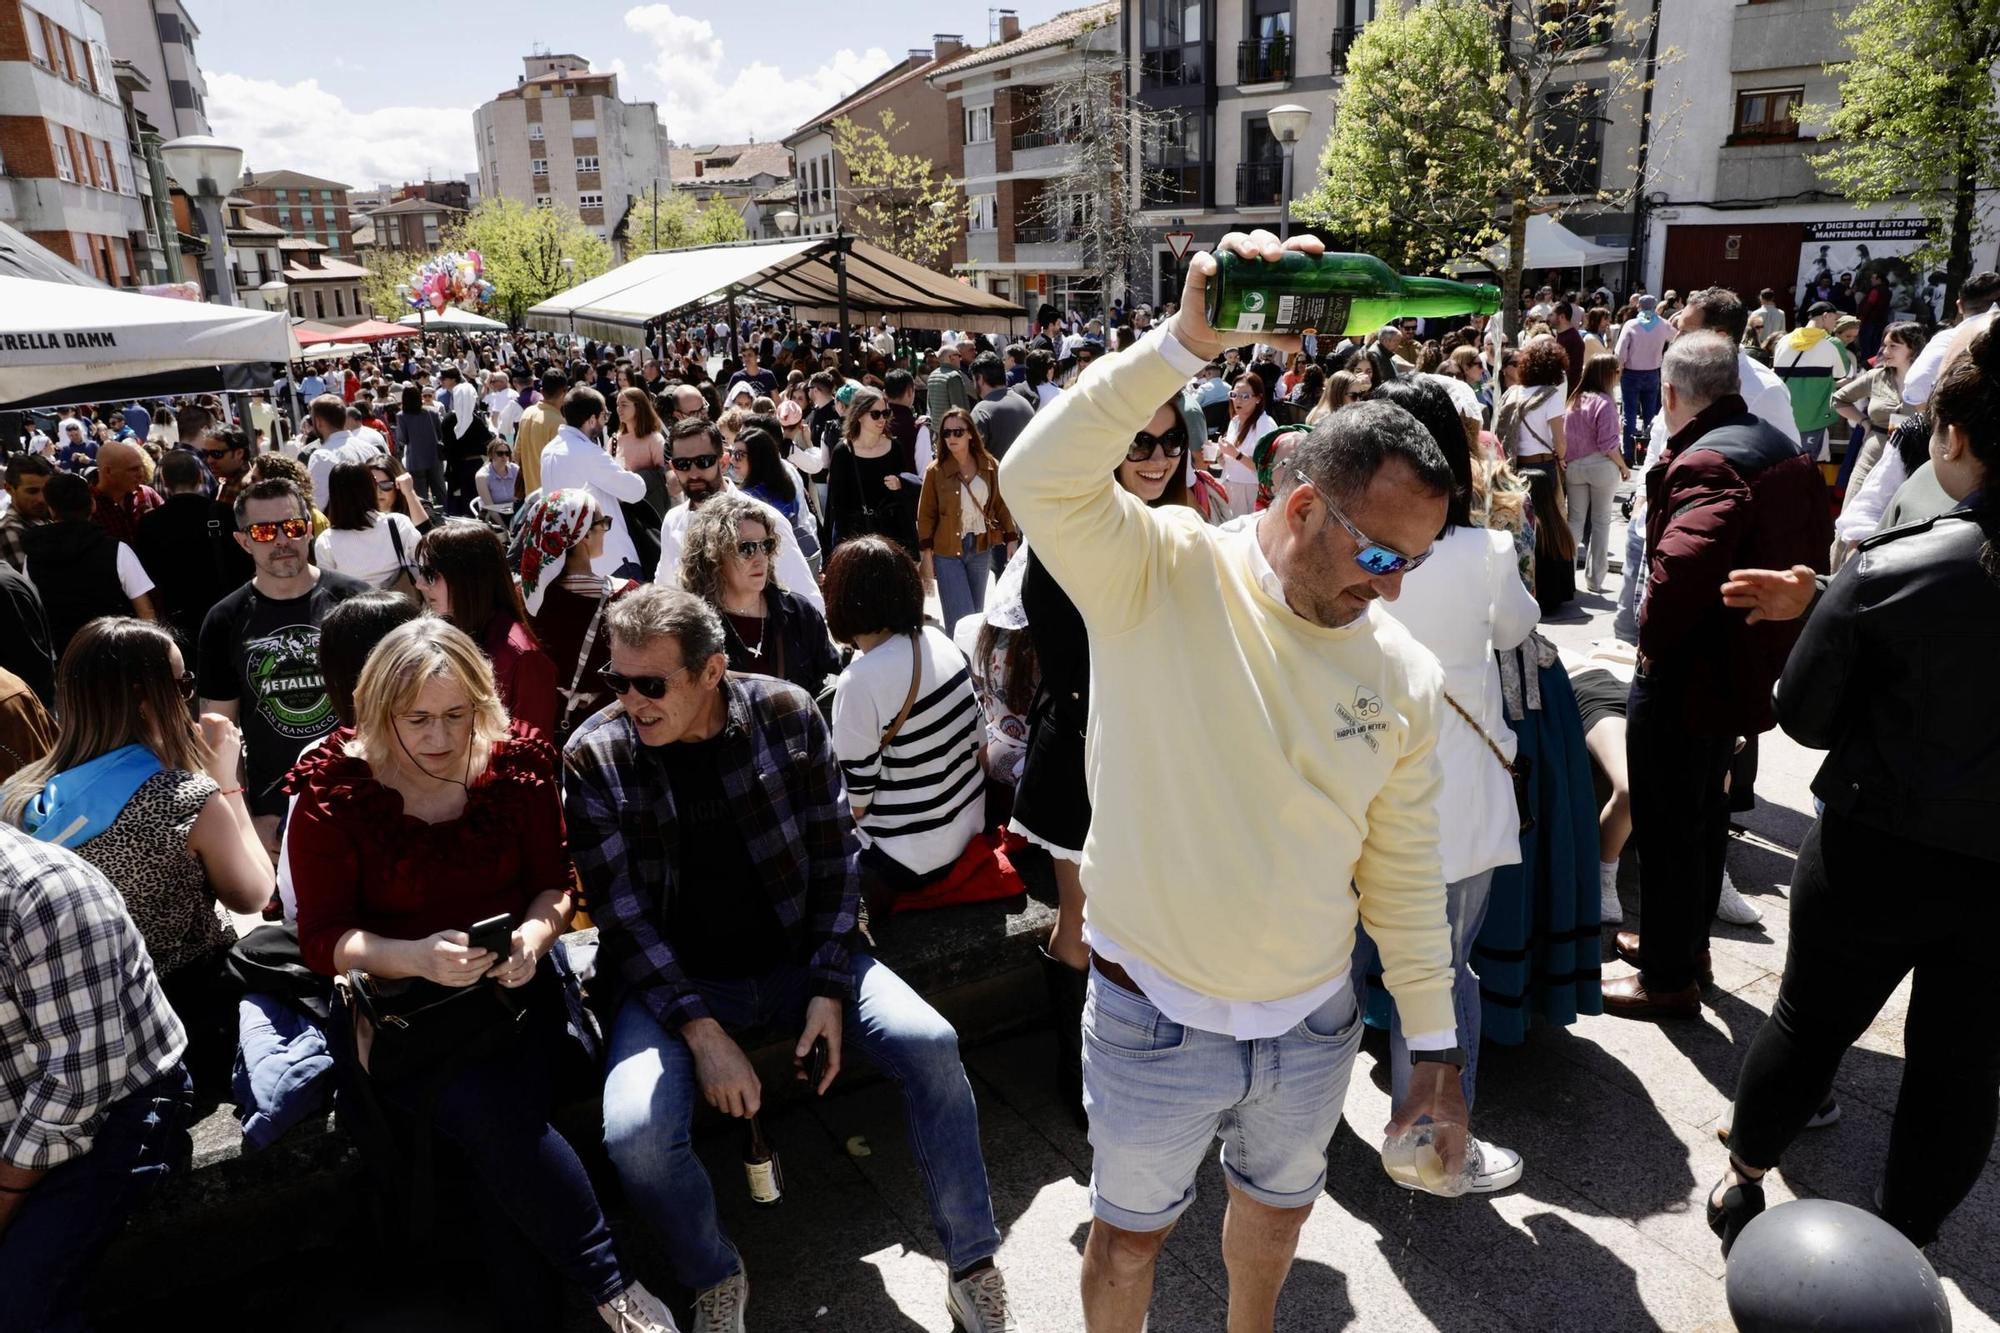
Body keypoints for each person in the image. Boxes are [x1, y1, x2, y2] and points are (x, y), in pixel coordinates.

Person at [1000, 230, 1466, 1331]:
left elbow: (1400, 873)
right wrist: (1179, 346)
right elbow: (1035, 476)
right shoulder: (1160, 570)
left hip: (1311, 1025)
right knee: (1127, 1241)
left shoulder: (1402, 672)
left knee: (1276, 1219)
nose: (1392, 591)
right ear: (1302, 506)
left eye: (1416, 563)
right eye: (1379, 557)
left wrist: (1433, 1053)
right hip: (1149, 1012)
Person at [567, 585, 1018, 1333]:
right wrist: (704, 1035)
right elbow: (622, 919)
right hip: (672, 984)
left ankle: (972, 1259)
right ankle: (714, 1273)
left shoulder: (783, 711)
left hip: (798, 957)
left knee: (933, 1043)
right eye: (617, 680)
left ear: (712, 672)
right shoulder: (596, 754)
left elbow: (837, 858)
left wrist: (829, 986)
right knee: (633, 1136)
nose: (630, 700)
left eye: (651, 683)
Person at [285, 619, 677, 1333]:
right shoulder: (335, 789)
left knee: (500, 1138)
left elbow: (557, 886)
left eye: (457, 715)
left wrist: (531, 936)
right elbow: (319, 939)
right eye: (419, 719)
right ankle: (614, 1289)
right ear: (379, 711)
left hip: (516, 994)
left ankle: (573, 1302)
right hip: (409, 1014)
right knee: (487, 1114)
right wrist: (413, 955)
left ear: (481, 703)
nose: (439, 736)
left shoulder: (518, 764)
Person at [1705, 323, 2000, 1258]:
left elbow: (1803, 713)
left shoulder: (1895, 566)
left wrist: (1837, 610)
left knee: (1812, 1016)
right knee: (1962, 1063)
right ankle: (1908, 1234)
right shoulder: (1892, 567)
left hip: (1880, 838)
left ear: (1951, 436)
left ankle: (1745, 1174)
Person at [1603, 333, 1831, 1020]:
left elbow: (1676, 575)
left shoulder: (1709, 461)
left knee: (1673, 824)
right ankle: (1685, 945)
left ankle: (1669, 977)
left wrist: (1649, 645)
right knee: (1702, 815)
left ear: (1669, 394)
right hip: (1738, 667)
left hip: (1687, 676)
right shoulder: (1774, 443)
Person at [1356, 376, 1540, 1188]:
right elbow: (1521, 628)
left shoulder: (1355, 543)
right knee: (1443, 967)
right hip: (1454, 797)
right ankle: (1434, 1143)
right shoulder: (1485, 551)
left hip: (1360, 782)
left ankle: (1366, 1116)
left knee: (1360, 958)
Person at [2, 617, 273, 1093]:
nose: (189, 694)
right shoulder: (184, 798)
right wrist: (226, 781)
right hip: (183, 1021)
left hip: (64, 1032)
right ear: (147, 699)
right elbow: (253, 894)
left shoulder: (18, 800)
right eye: (183, 683)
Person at [0, 825, 194, 1333]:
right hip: (24, 1105)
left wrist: (2, 1194)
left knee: (16, 1305)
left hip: (114, 1109)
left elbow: (78, 1083)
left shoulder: (40, 892)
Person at [197, 477, 370, 850]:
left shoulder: (358, 603)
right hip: (278, 815)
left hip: (370, 797)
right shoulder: (224, 620)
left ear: (309, 529)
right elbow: (218, 734)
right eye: (262, 531)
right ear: (243, 541)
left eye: (291, 526)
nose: (281, 541)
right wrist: (246, 822)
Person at [824, 537, 987, 892]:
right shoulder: (939, 640)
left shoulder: (858, 682)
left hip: (909, 854)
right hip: (970, 826)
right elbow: (980, 746)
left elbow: (856, 804)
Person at [679, 492, 840, 699]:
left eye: (766, 545)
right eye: (746, 548)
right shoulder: (692, 629)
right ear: (713, 556)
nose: (760, 558)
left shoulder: (799, 613)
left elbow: (830, 679)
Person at [655, 418, 821, 612]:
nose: (693, 473)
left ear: (724, 462)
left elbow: (808, 603)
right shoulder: (673, 521)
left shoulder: (765, 519)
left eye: (704, 462)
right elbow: (665, 591)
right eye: (683, 464)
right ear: (673, 468)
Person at [416, 520, 558, 738]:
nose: (420, 585)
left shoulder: (522, 658)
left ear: (467, 578)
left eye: (430, 574)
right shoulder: (449, 634)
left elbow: (531, 753)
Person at [519, 491, 640, 743]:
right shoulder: (625, 595)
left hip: (541, 724)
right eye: (602, 523)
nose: (605, 530)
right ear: (583, 533)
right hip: (604, 727)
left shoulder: (524, 595)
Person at [22, 471, 157, 657]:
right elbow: (146, 610)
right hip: (120, 656)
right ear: (92, 505)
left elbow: (33, 614)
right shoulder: (117, 550)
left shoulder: (32, 558)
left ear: (52, 510)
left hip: (66, 660)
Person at [135, 446, 257, 651]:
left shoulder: (149, 523)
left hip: (178, 622)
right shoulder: (225, 514)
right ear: (200, 476)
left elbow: (148, 576)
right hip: (228, 615)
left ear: (165, 482)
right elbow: (247, 563)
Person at [917, 408, 1017, 632]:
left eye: (958, 432)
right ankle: (964, 666)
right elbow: (925, 515)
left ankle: (972, 665)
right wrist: (926, 556)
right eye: (946, 433)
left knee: (976, 616)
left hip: (980, 547)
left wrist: (1011, 537)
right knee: (961, 620)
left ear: (970, 433)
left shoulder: (989, 465)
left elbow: (1001, 504)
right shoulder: (936, 471)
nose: (951, 438)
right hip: (947, 552)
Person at [540, 387, 650, 580]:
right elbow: (635, 491)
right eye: (604, 416)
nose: (604, 421)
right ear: (592, 419)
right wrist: (624, 468)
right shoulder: (586, 452)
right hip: (609, 559)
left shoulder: (549, 450)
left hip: (573, 560)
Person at [1832, 321, 1925, 514]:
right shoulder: (1876, 376)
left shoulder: (1928, 382)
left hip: (1908, 463)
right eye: (1884, 345)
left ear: (1913, 348)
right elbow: (1839, 400)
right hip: (1871, 457)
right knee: (1851, 518)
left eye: (1893, 346)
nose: (1885, 351)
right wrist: (1864, 421)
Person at [1563, 351, 1630, 593]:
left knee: (1575, 521)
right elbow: (1608, 444)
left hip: (1574, 466)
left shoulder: (1573, 400)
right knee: (1601, 522)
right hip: (1601, 466)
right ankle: (1594, 579)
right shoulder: (1605, 402)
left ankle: (1565, 577)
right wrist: (1623, 466)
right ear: (1608, 374)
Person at [827, 384, 918, 556]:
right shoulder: (842, 452)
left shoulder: (895, 447)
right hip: (857, 542)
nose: (882, 419)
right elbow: (837, 507)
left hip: (893, 537)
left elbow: (903, 500)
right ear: (859, 415)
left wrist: (900, 484)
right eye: (876, 414)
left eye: (886, 413)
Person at [313, 462, 424, 595]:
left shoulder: (326, 541)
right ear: (371, 488)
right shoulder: (397, 524)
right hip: (403, 608)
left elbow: (328, 591)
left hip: (354, 612)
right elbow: (423, 560)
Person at [1774, 302, 1856, 459]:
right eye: (1835, 319)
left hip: (1783, 414)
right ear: (1826, 316)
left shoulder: (1783, 341)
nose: (1836, 324)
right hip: (1814, 417)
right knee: (1805, 464)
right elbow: (1842, 373)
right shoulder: (1833, 344)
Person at [1614, 294, 1676, 452]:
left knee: (1630, 415)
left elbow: (1620, 352)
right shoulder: (1663, 324)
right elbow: (1676, 337)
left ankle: (1629, 452)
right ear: (1655, 306)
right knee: (1650, 415)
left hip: (1631, 374)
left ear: (1638, 306)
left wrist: (1619, 370)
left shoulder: (1631, 324)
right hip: (1652, 373)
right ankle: (1648, 450)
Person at [303, 395, 387, 503]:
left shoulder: (321, 456)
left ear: (319, 422)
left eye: (312, 420)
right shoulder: (371, 449)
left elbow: (317, 504)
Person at [1217, 370, 1277, 516]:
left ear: (1258, 398)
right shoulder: (1235, 421)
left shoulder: (1265, 424)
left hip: (1250, 491)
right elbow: (1231, 462)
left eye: (1245, 396)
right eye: (1234, 395)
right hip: (1229, 485)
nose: (1238, 400)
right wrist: (1220, 456)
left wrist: (1235, 454)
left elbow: (1264, 467)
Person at [88, 439, 162, 548]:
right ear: (108, 471)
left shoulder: (147, 493)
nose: (141, 474)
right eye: (133, 469)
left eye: (141, 467)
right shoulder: (86, 504)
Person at [615, 386, 671, 517]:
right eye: (617, 405)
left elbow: (664, 474)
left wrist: (639, 478)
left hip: (649, 508)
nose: (619, 409)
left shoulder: (654, 439)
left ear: (638, 407)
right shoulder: (614, 439)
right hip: (623, 508)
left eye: (624, 405)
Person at [969, 352, 1035, 465]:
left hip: (996, 480)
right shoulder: (1024, 404)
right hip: (1027, 477)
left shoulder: (981, 411)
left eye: (974, 380)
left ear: (980, 379)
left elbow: (970, 456)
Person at [514, 370, 568, 498]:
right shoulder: (559, 423)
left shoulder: (527, 413)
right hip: (552, 500)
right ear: (564, 392)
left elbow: (517, 454)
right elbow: (562, 467)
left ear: (542, 391)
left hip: (531, 497)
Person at [394, 383, 446, 508]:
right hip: (434, 457)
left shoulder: (401, 416)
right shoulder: (432, 412)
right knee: (440, 492)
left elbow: (403, 439)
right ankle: (444, 516)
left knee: (420, 495)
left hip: (416, 459)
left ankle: (426, 519)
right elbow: (440, 434)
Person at [0, 453, 52, 571]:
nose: (41, 499)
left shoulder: (42, 518)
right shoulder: (9, 530)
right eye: (32, 491)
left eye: (46, 490)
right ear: (9, 489)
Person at [926, 341, 971, 436]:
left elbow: (929, 405)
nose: (961, 359)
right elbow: (958, 408)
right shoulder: (953, 376)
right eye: (959, 356)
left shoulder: (932, 375)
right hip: (953, 431)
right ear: (951, 358)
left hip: (938, 429)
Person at [475, 437, 521, 524]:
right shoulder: (482, 476)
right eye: (500, 453)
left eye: (507, 453)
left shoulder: (515, 469)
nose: (504, 457)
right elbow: (490, 506)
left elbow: (522, 497)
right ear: (491, 455)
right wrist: (504, 528)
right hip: (492, 514)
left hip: (512, 510)